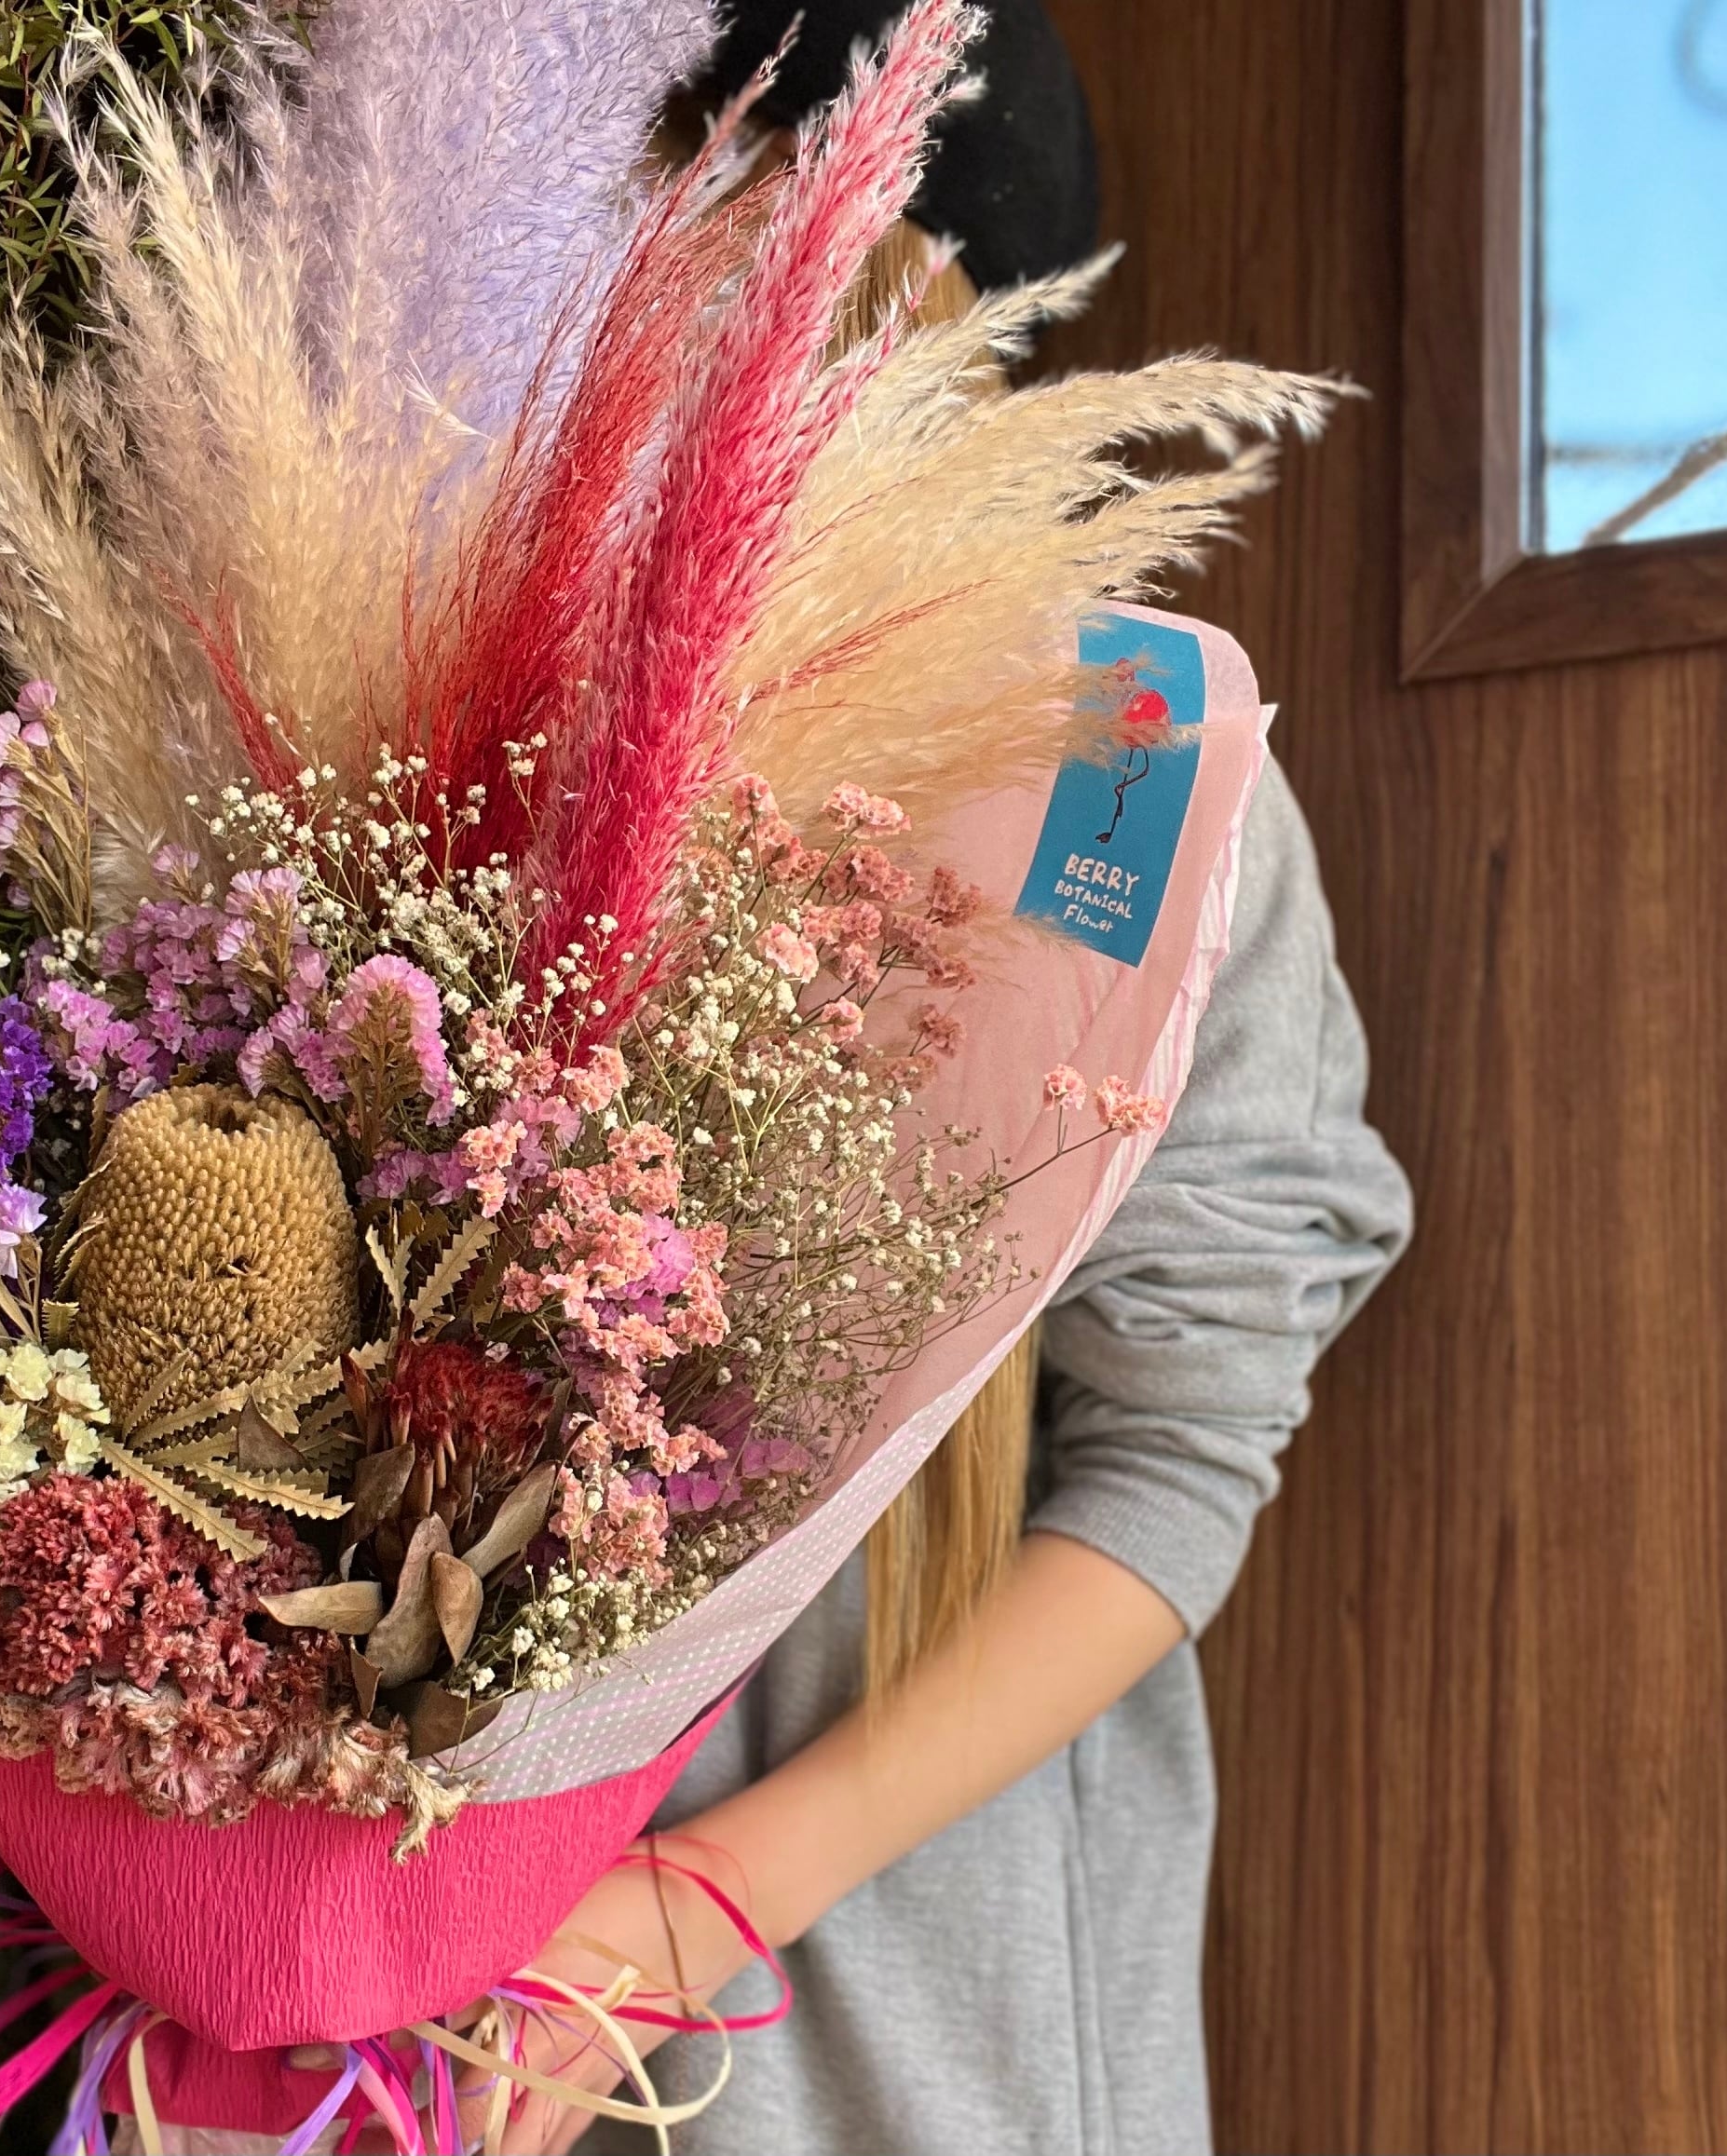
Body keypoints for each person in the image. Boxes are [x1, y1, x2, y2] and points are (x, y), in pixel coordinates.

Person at [288, 11, 1413, 2150]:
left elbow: (1175, 1465)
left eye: (642, 189)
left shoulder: (1126, 767)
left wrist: (699, 1899)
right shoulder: (400, 697)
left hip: (892, 2028)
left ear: (874, 271)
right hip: (375, 1997)